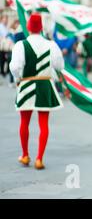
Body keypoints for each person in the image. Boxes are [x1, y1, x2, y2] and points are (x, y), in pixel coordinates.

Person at [9, 14, 64, 169]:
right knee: (44, 123)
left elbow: (14, 68)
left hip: (26, 85)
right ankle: (39, 158)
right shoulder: (51, 45)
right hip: (44, 86)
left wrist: (19, 78)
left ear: (28, 27)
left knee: (24, 122)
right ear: (41, 28)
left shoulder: (21, 45)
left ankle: (25, 155)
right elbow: (60, 66)